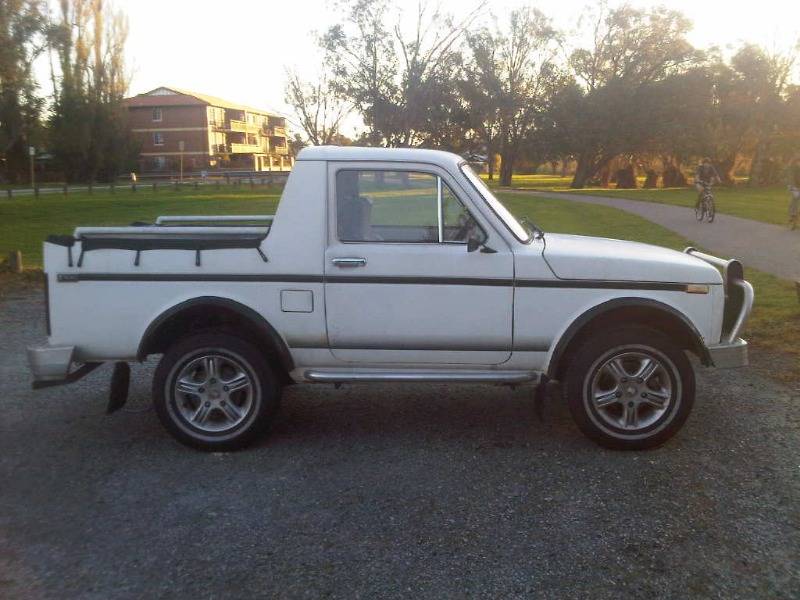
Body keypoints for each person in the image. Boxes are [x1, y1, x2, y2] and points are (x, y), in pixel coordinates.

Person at [788, 158, 800, 229]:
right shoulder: (794, 169)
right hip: (796, 188)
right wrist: (792, 187)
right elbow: (791, 179)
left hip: (797, 188)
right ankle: (792, 217)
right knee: (793, 203)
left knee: (793, 203)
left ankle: (793, 217)